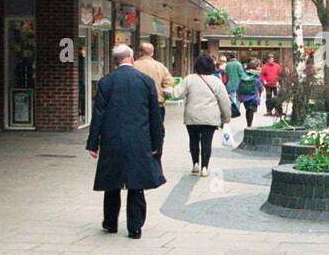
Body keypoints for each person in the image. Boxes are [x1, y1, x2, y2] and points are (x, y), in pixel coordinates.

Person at [86, 44, 165, 239]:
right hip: (139, 139)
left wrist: (93, 143)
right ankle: (135, 227)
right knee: (136, 184)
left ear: (115, 61)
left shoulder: (106, 82)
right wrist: (157, 142)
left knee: (112, 182)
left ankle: (110, 223)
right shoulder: (146, 82)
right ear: (131, 59)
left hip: (112, 139)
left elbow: (98, 115)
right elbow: (154, 116)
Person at [170, 52, 233, 177]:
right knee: (206, 142)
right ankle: (204, 168)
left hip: (192, 117)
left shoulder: (189, 79)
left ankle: (195, 164)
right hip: (210, 118)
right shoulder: (216, 81)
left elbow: (177, 94)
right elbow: (225, 101)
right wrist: (226, 118)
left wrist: (165, 91)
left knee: (193, 140)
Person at [133, 42, 174, 117]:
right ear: (152, 53)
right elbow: (169, 84)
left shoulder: (133, 66)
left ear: (139, 52)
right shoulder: (160, 66)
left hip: (137, 104)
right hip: (157, 104)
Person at [237, 59, 262, 127]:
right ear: (256, 67)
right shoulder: (257, 75)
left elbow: (239, 86)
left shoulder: (243, 75)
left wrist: (238, 95)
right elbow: (260, 87)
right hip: (254, 96)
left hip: (245, 96)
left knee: (248, 110)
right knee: (251, 110)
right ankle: (249, 125)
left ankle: (248, 124)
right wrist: (260, 94)